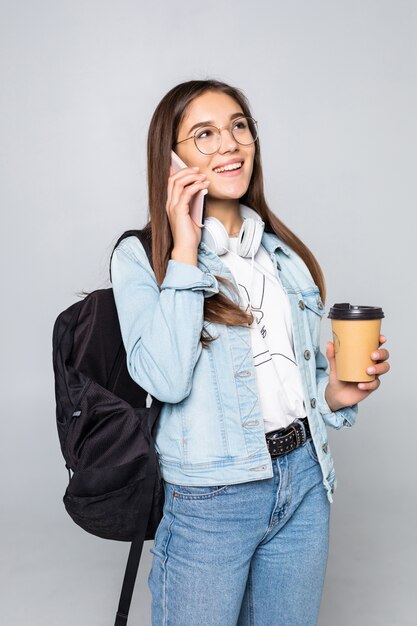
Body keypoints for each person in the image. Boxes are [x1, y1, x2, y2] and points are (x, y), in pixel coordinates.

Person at [110, 79, 390, 626]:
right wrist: (185, 247)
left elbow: (300, 383)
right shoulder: (142, 259)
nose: (230, 144)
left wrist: (338, 392)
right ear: (171, 159)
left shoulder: (281, 255)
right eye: (204, 134)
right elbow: (165, 379)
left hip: (305, 479)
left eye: (239, 126)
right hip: (213, 498)